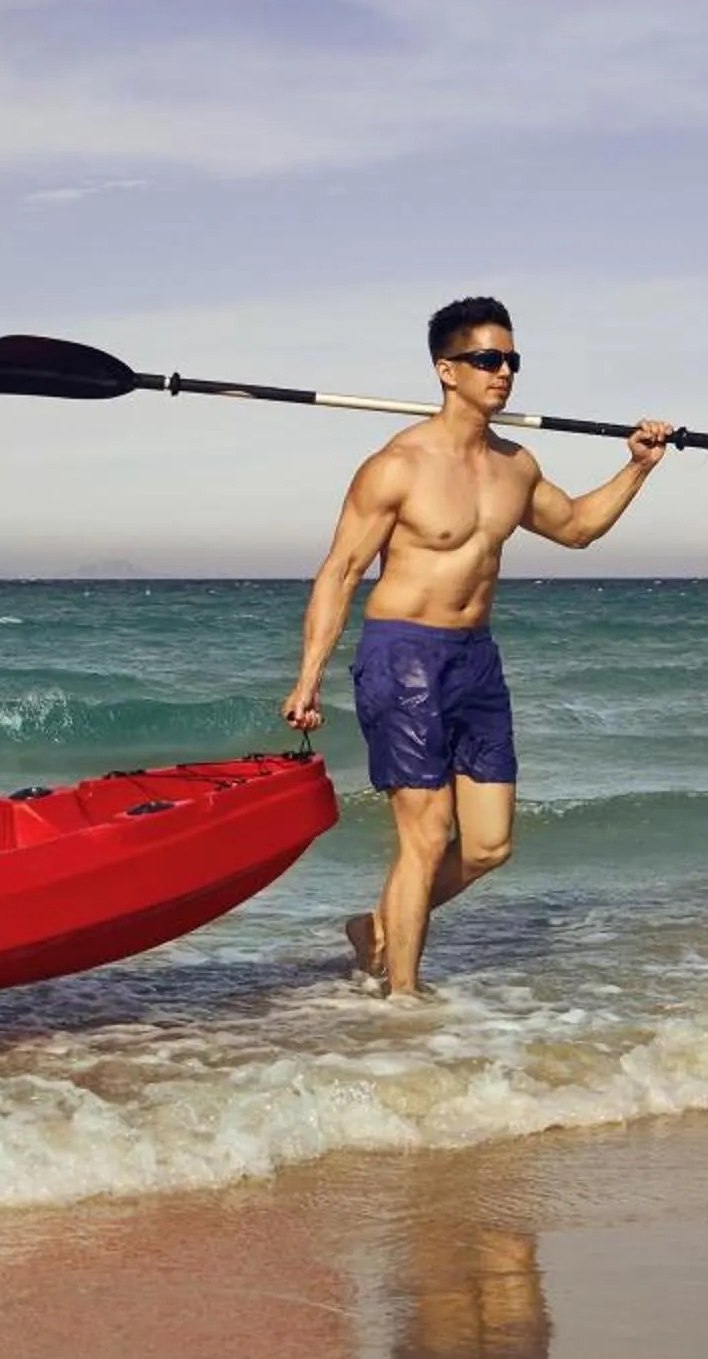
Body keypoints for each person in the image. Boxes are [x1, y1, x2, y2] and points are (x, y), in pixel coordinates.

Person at [280, 298, 672, 996]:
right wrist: (309, 676)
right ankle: (402, 997)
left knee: (489, 846)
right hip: (402, 657)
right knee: (425, 840)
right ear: (446, 370)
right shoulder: (396, 464)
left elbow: (578, 527)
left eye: (512, 360)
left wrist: (638, 467)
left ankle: (376, 927)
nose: (503, 373)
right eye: (487, 360)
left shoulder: (516, 466)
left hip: (475, 661)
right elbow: (338, 571)